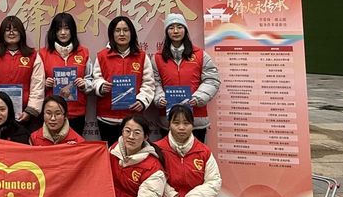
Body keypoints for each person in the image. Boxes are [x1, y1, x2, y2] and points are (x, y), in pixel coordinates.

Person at [155, 104, 222, 197]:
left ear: (193, 125)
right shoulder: (158, 149)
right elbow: (155, 179)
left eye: (186, 123)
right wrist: (170, 195)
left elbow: (214, 182)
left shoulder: (203, 151)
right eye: (176, 123)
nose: (181, 127)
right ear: (169, 124)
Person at [149, 13, 220, 143]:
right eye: (171, 28)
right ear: (166, 32)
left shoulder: (200, 55)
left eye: (179, 27)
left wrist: (198, 98)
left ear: (185, 30)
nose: (175, 31)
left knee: (195, 154)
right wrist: (159, 97)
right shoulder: (158, 57)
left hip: (196, 119)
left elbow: (212, 80)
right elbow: (154, 82)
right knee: (168, 154)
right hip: (168, 120)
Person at [91, 16, 155, 145]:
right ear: (112, 34)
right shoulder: (102, 56)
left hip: (133, 119)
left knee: (134, 153)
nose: (122, 34)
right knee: (110, 153)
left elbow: (149, 83)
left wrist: (142, 101)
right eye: (117, 30)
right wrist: (101, 86)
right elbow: (95, 78)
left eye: (125, 30)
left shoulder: (141, 56)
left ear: (131, 33)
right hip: (107, 117)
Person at [0, 16, 45, 128]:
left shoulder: (33, 56)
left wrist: (30, 110)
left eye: (15, 29)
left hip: (25, 115)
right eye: (7, 30)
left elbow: (38, 85)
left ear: (21, 33)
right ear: (2, 33)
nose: (11, 33)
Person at [40, 13, 92, 135]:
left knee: (74, 145)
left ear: (72, 30)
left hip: (77, 112)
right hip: (52, 115)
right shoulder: (43, 54)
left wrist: (85, 84)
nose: (63, 33)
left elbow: (91, 78)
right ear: (54, 31)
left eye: (67, 28)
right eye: (59, 29)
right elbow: (35, 82)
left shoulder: (84, 52)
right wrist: (45, 84)